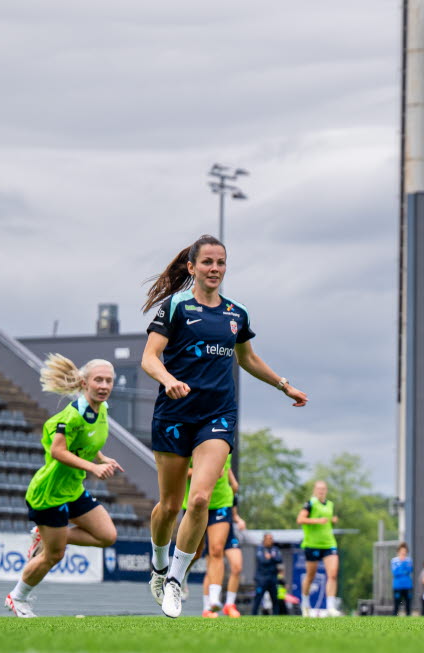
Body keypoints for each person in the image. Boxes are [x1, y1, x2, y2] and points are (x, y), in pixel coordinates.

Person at [142, 234, 308, 618]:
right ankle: (158, 563)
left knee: (199, 498)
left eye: (220, 263)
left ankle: (175, 581)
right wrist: (167, 380)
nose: (214, 269)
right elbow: (150, 357)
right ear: (192, 267)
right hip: (174, 413)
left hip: (217, 416)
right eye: (207, 263)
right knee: (169, 506)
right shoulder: (176, 306)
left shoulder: (237, 314)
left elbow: (248, 359)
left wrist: (284, 386)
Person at [5, 355, 123, 617]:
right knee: (53, 555)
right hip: (50, 494)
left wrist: (102, 457)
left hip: (73, 489)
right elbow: (58, 451)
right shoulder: (71, 416)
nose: (104, 385)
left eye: (108, 380)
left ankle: (44, 535)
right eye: (98, 380)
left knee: (107, 536)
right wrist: (93, 467)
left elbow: (88, 442)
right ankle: (17, 597)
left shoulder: (101, 409)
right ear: (84, 383)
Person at [181, 454, 241, 617]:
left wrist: (232, 481)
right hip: (196, 502)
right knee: (195, 553)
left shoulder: (225, 438)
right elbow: (180, 471)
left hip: (222, 502)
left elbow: (225, 464)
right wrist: (208, 472)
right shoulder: (194, 441)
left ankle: (214, 599)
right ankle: (181, 575)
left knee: (217, 549)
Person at [298, 479, 340, 617]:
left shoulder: (330, 505)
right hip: (312, 544)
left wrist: (332, 520)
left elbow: (327, 520)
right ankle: (305, 604)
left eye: (324, 489)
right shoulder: (310, 504)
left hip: (329, 543)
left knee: (333, 574)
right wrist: (317, 520)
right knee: (311, 576)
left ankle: (330, 607)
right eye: (319, 489)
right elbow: (300, 519)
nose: (321, 491)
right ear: (315, 490)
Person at [252, 532, 285, 616]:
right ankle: (253, 615)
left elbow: (279, 559)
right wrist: (272, 558)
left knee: (275, 599)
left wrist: (271, 557)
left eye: (271, 539)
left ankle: (276, 616)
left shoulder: (275, 549)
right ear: (264, 539)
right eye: (268, 538)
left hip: (273, 578)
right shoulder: (260, 549)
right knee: (258, 598)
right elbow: (263, 561)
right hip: (261, 578)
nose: (270, 540)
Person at [391, 542, 414, 616]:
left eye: (405, 551)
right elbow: (395, 572)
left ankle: (408, 618)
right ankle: (394, 618)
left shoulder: (408, 560)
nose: (403, 553)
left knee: (408, 603)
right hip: (397, 585)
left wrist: (402, 569)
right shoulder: (394, 561)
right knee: (397, 603)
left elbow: (410, 570)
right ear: (398, 552)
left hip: (407, 585)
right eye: (402, 551)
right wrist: (403, 570)